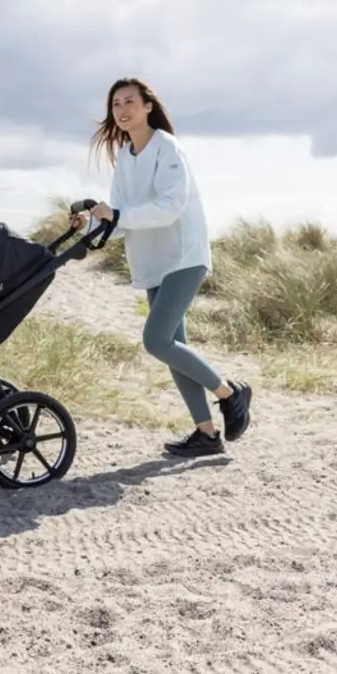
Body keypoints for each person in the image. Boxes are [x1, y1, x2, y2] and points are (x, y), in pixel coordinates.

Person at [71, 77, 252, 458]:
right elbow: (119, 217)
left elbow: (171, 206)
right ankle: (206, 434)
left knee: (157, 341)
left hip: (183, 256)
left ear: (148, 106)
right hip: (154, 261)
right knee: (173, 347)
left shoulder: (167, 147)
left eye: (129, 102)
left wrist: (117, 214)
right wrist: (89, 225)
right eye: (116, 104)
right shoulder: (125, 156)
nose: (122, 110)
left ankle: (230, 394)